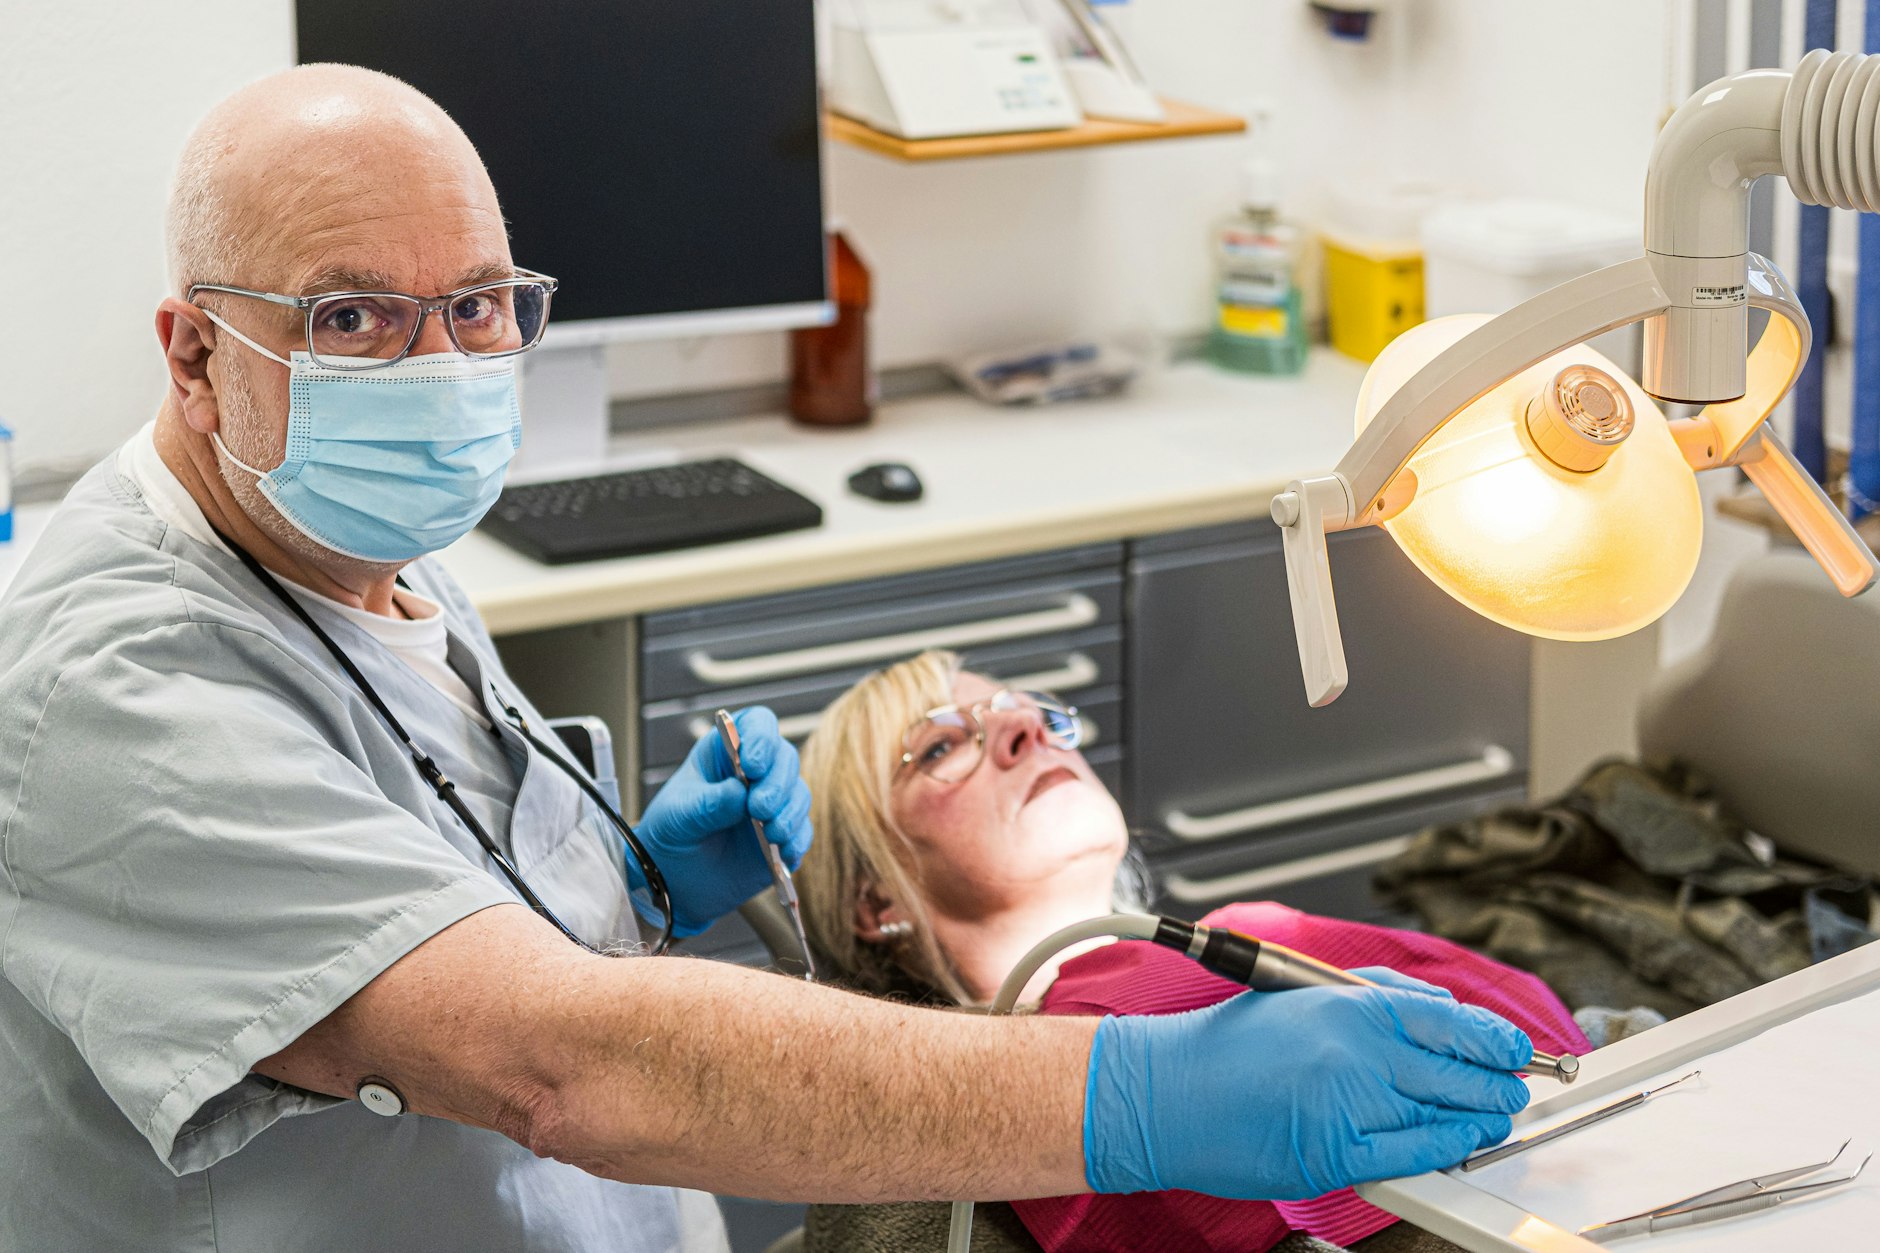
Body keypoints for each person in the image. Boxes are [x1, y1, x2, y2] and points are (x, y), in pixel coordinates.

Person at [0, 65, 1533, 1252]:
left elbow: (425, 907)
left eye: (477, 307)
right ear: (193, 353)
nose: (441, 369)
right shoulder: (114, 679)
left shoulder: (351, 540)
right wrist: (1155, 1094)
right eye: (353, 319)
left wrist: (640, 891)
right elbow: (554, 1064)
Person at [795, 650, 1592, 1253]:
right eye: (938, 748)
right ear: (877, 901)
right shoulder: (1007, 1110)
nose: (1022, 727)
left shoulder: (1259, 929)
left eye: (1027, 709)